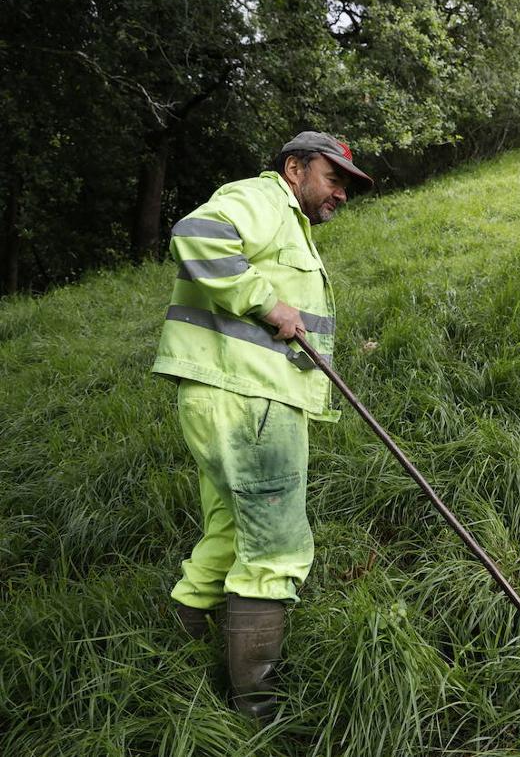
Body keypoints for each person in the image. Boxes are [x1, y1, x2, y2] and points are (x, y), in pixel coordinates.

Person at [150, 131, 372, 718]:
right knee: (275, 545)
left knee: (229, 529)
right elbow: (195, 233)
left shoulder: (284, 218)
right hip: (250, 398)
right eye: (334, 177)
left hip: (225, 393)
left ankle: (178, 649)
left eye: (347, 185)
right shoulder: (264, 199)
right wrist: (264, 302)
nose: (342, 193)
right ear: (295, 167)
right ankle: (257, 707)